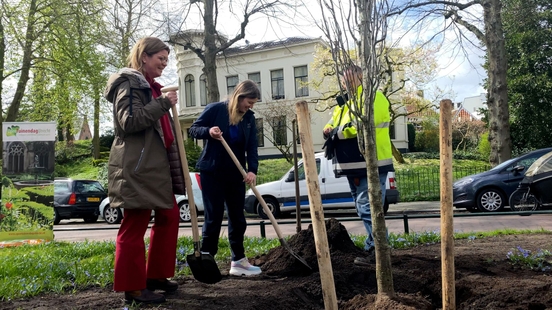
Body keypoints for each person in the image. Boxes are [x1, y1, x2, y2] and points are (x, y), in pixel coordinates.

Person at [104, 37, 185, 304]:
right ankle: (133, 288)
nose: (164, 64)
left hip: (154, 168)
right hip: (136, 167)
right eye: (160, 59)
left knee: (170, 215)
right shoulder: (128, 84)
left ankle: (156, 276)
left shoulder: (150, 87)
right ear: (143, 58)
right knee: (134, 225)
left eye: (166, 59)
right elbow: (129, 122)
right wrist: (162, 103)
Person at [323, 65, 394, 266]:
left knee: (368, 206)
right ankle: (376, 247)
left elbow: (361, 125)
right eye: (343, 79)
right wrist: (329, 129)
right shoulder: (345, 102)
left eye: (348, 78)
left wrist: (336, 132)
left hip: (371, 162)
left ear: (360, 76)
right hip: (353, 164)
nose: (345, 82)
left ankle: (378, 250)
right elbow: (332, 123)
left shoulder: (373, 97)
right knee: (363, 206)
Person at [189, 80, 261, 276]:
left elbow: (252, 146)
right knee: (214, 217)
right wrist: (209, 131)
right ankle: (206, 257)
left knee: (238, 218)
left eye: (253, 103)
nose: (251, 106)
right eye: (249, 102)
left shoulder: (249, 118)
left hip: (236, 174)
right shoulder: (216, 110)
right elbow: (193, 129)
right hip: (212, 172)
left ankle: (238, 261)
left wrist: (252, 170)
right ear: (240, 96)